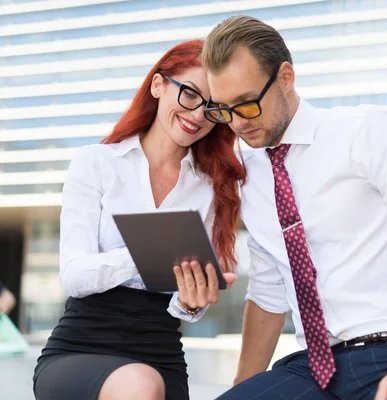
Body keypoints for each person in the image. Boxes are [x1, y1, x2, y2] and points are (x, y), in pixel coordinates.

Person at [202, 16, 387, 400]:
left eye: (247, 104)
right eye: (223, 109)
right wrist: (243, 389)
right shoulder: (249, 178)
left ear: (286, 77)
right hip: (309, 370)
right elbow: (268, 294)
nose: (236, 122)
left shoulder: (364, 132)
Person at [32, 39, 246, 400]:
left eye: (212, 108)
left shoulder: (212, 188)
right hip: (82, 343)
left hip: (161, 349)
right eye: (190, 94)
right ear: (159, 85)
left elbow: (184, 306)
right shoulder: (95, 163)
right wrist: (150, 249)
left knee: (148, 382)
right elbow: (74, 276)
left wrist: (192, 302)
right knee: (141, 385)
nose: (197, 115)